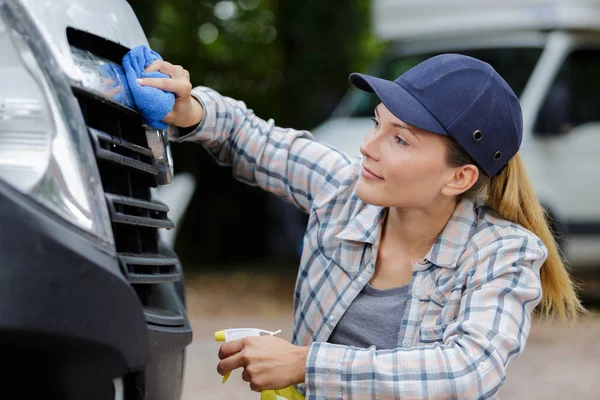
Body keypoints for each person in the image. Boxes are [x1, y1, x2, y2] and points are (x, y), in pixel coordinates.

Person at [138, 53, 584, 399]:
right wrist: (191, 108)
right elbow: (249, 136)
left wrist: (306, 364)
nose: (368, 147)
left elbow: (467, 372)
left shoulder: (503, 252)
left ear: (459, 177)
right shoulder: (343, 190)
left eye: (399, 139)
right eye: (377, 123)